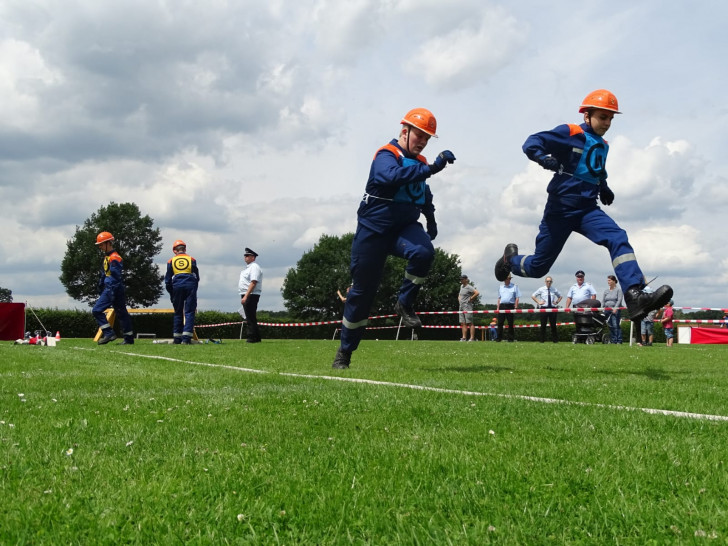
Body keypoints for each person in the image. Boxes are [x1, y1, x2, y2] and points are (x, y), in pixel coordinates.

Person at [493, 89, 672, 324]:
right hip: (560, 209)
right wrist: (541, 157)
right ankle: (509, 261)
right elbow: (532, 142)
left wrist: (603, 185)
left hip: (588, 209)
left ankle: (634, 294)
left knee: (618, 237)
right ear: (587, 116)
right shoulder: (571, 132)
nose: (607, 123)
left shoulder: (603, 144)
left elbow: (595, 168)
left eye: (610, 118)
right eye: (602, 117)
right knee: (538, 267)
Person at [331, 108, 456, 369]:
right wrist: (432, 167)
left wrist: (431, 221)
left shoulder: (420, 163)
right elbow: (391, 177)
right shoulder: (386, 155)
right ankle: (344, 352)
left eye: (427, 138)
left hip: (403, 228)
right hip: (373, 232)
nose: (422, 141)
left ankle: (404, 303)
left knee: (424, 253)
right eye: (419, 135)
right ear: (404, 131)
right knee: (362, 293)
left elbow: (424, 195)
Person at [92, 231, 134, 345]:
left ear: (108, 243)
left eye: (101, 244)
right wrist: (100, 287)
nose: (100, 247)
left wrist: (110, 291)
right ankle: (129, 339)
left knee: (96, 310)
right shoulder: (107, 258)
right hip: (113, 287)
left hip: (112, 288)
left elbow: (115, 276)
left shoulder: (114, 258)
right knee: (122, 313)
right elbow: (103, 274)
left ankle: (108, 333)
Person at [165, 239, 200, 344]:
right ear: (185, 249)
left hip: (177, 286)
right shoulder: (192, 259)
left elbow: (167, 280)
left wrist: (171, 294)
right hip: (190, 286)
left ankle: (177, 338)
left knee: (178, 312)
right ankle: (186, 339)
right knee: (189, 312)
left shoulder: (170, 261)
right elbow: (197, 276)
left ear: (174, 250)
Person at [238, 247, 262, 343]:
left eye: (248, 255)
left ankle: (251, 337)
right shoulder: (248, 268)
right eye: (245, 255)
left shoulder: (254, 267)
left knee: (250, 317)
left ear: (253, 257)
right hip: (247, 293)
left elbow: (253, 282)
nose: (245, 257)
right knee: (250, 316)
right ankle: (256, 337)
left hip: (251, 294)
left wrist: (246, 296)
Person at [531, 276, 562, 343]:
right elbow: (533, 295)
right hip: (544, 308)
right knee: (543, 325)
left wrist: (556, 302)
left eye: (550, 281)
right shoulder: (541, 289)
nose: (549, 282)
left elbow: (560, 296)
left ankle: (555, 340)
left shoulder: (554, 289)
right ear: (545, 282)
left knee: (553, 325)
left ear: (552, 282)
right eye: (547, 281)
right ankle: (542, 340)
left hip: (552, 309)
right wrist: (538, 302)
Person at [496, 274, 520, 342]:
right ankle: (499, 338)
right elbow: (499, 298)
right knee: (500, 323)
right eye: (505, 279)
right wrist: (497, 308)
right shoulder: (500, 287)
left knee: (510, 323)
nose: (506, 280)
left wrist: (516, 307)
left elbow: (517, 297)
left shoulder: (515, 286)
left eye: (507, 278)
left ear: (510, 279)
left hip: (510, 305)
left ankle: (510, 338)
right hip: (502, 306)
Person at [458, 274, 479, 342]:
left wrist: (471, 298)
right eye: (461, 279)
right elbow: (460, 294)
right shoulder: (461, 286)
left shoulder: (469, 287)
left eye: (462, 279)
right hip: (461, 306)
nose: (461, 280)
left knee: (469, 322)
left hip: (467, 306)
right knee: (462, 323)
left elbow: (477, 293)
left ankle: (472, 338)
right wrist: (459, 299)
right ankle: (464, 338)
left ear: (466, 279)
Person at [603, 274, 624, 344]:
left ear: (614, 281)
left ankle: (618, 340)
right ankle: (613, 340)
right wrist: (603, 308)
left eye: (609, 280)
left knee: (615, 325)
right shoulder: (606, 291)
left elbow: (619, 300)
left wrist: (616, 308)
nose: (608, 282)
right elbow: (603, 300)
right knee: (610, 325)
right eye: (607, 280)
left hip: (615, 310)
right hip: (607, 310)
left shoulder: (619, 290)